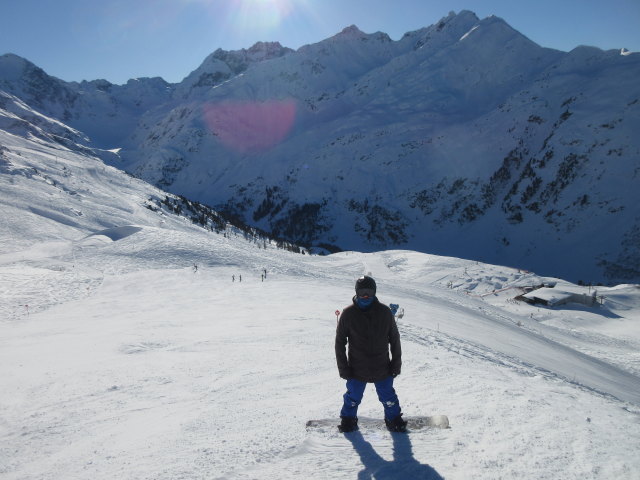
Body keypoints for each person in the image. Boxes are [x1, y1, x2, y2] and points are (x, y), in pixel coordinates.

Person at [335, 275, 407, 433]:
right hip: (356, 369)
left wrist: (396, 364)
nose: (366, 296)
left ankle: (393, 419)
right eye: (362, 292)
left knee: (389, 398)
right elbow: (340, 342)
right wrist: (343, 368)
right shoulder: (348, 314)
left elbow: (394, 339)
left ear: (375, 292)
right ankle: (348, 419)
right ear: (356, 292)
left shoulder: (384, 312)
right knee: (352, 397)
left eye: (369, 292)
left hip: (382, 367)